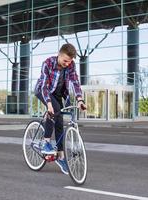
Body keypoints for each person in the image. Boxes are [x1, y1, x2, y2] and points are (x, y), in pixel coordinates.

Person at [34, 43, 87, 175]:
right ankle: (46, 142)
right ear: (59, 54)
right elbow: (45, 86)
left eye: (69, 62)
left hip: (58, 94)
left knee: (60, 121)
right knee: (54, 110)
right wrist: (48, 103)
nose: (67, 64)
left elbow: (75, 81)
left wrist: (80, 99)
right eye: (65, 61)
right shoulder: (47, 63)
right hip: (43, 91)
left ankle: (61, 157)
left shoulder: (71, 65)